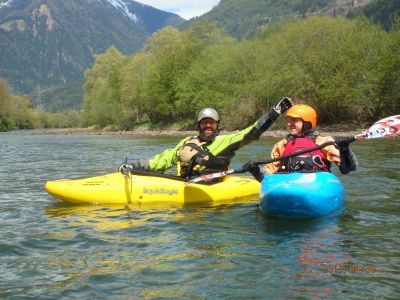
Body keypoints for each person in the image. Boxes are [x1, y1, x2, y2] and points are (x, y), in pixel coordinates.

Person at [118, 97, 293, 180]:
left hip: (211, 189)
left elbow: (251, 132)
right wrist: (136, 166)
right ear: (199, 125)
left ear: (217, 126)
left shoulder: (225, 141)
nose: (207, 126)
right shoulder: (187, 142)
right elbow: (164, 159)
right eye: (204, 123)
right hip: (184, 184)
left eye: (211, 123)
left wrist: (273, 113)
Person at [243, 104, 358, 182]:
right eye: (288, 120)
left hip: (316, 187)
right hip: (288, 186)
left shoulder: (325, 142)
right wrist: (255, 170)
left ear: (307, 122)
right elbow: (267, 177)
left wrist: (345, 150)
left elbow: (348, 169)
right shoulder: (281, 145)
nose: (289, 123)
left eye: (294, 120)